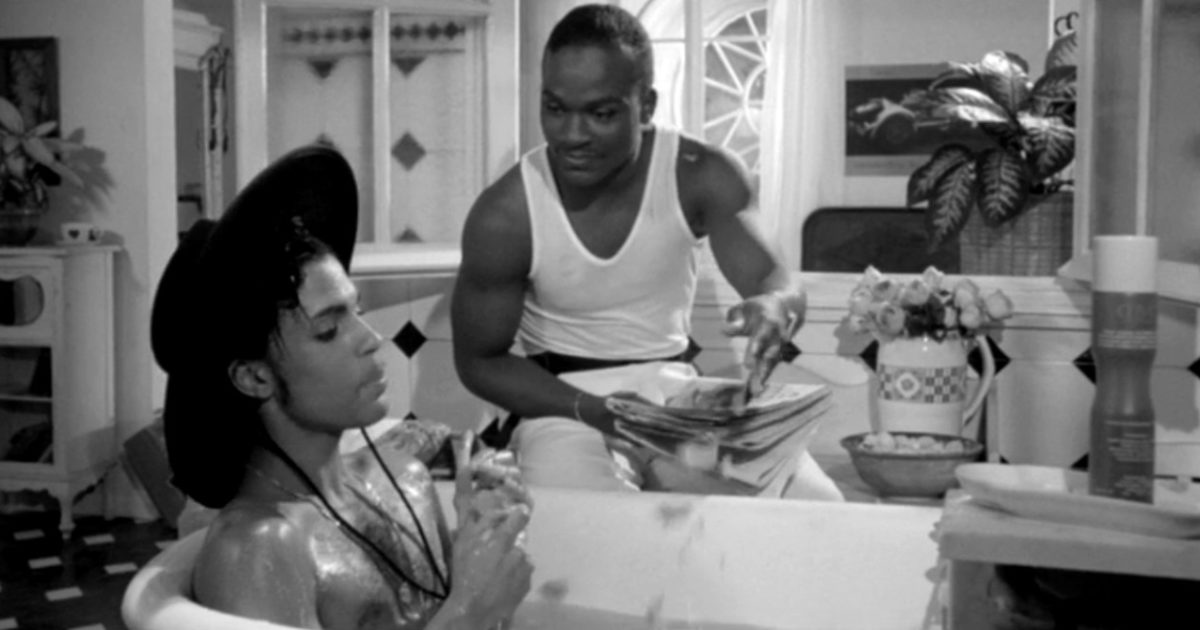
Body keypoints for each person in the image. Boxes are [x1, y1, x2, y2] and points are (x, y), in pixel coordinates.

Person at [451, 4, 839, 499]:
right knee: (592, 527)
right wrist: (593, 411)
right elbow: (480, 361)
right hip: (562, 407)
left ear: (647, 105)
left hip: (676, 398)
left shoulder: (702, 174)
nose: (572, 135)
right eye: (555, 109)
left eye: (601, 114)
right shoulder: (506, 213)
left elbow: (776, 281)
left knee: (818, 505)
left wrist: (775, 306)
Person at [151, 145, 533, 629]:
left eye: (359, 312)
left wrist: (480, 542)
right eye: (329, 329)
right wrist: (472, 608)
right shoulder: (256, 549)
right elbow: (465, 616)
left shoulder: (405, 480)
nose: (371, 340)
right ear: (254, 377)